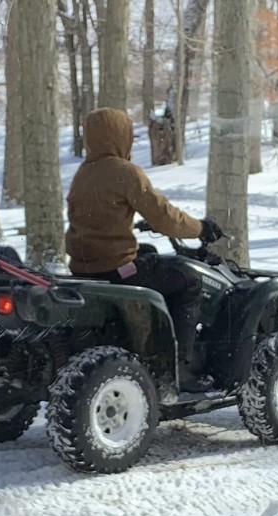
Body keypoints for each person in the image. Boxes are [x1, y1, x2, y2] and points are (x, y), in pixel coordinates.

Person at [65, 107, 222, 392]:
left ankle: (151, 339)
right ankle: (179, 368)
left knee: (148, 252)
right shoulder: (125, 172)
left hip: (85, 268)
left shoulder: (83, 173)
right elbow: (165, 217)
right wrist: (200, 228)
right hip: (116, 269)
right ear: (118, 135)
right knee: (189, 281)